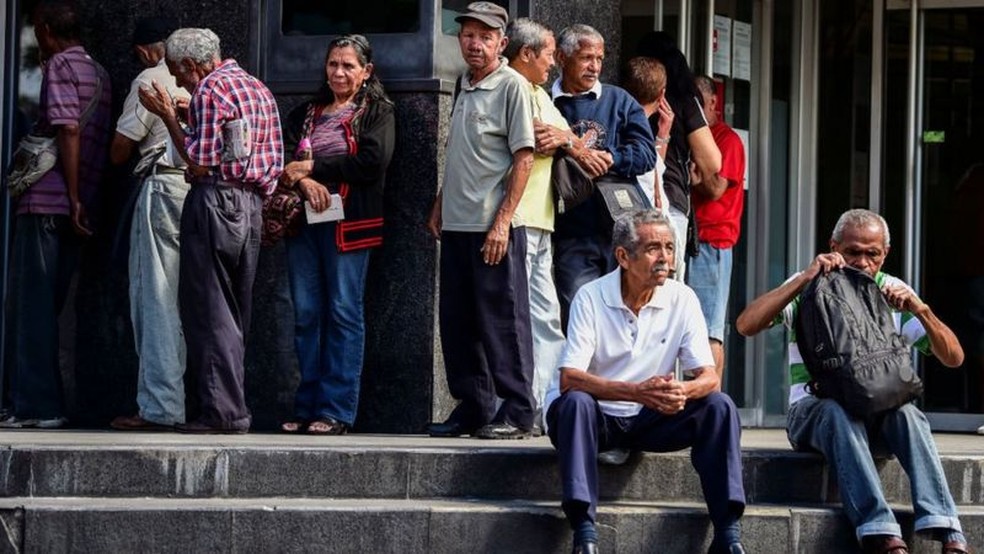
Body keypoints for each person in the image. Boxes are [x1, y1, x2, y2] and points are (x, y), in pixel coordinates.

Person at [736, 209, 969, 554]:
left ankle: (947, 527)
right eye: (852, 252)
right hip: (813, 412)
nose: (862, 261)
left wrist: (920, 310)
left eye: (871, 254)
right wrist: (803, 279)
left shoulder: (893, 291)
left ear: (884, 254)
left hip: (877, 413)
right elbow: (746, 324)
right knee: (836, 412)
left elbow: (954, 357)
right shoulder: (810, 284)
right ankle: (879, 529)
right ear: (834, 246)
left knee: (909, 415)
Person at [545, 210, 746, 554]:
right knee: (575, 402)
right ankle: (585, 533)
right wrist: (637, 392)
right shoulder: (591, 297)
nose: (665, 257)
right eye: (654, 248)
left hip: (650, 417)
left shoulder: (682, 298)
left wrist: (681, 391)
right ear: (623, 256)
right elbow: (569, 378)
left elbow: (709, 377)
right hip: (597, 419)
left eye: (669, 247)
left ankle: (728, 534)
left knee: (719, 406)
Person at [139, 27, 283, 434]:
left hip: (215, 201)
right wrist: (191, 117)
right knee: (234, 311)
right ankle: (231, 407)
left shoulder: (209, 90)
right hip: (251, 205)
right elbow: (241, 145)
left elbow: (198, 162)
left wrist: (168, 115)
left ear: (191, 64)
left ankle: (223, 413)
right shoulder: (257, 87)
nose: (179, 81)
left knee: (208, 308)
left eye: (178, 72)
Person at [425, 2, 537, 440]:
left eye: (485, 37)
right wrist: (440, 203)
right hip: (457, 223)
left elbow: (523, 158)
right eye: (468, 34)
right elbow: (461, 153)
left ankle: (517, 409)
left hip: (495, 227)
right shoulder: (462, 84)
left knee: (503, 321)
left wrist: (502, 223)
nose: (475, 44)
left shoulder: (512, 86)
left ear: (502, 43)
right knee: (458, 322)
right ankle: (474, 405)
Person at [1, 0, 112, 429]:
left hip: (47, 203)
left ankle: (37, 406)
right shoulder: (99, 72)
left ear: (46, 30)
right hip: (74, 207)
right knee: (48, 305)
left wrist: (70, 196)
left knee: (32, 308)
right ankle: (35, 402)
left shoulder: (60, 68)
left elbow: (67, 128)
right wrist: (82, 198)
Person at [276, 35, 395, 435]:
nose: (339, 73)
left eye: (348, 66)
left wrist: (312, 171)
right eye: (333, 64)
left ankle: (335, 411)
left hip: (350, 225)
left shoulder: (377, 112)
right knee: (307, 313)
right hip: (304, 223)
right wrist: (304, 182)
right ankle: (307, 404)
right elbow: (287, 162)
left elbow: (371, 162)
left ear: (366, 72)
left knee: (344, 312)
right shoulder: (305, 113)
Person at [108, 16, 190, 432]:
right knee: (196, 304)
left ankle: (160, 406)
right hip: (203, 193)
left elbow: (120, 150)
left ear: (144, 50)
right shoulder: (211, 79)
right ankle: (198, 403)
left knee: (155, 298)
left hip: (162, 187)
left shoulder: (151, 77)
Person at [550, 24, 657, 328]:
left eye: (599, 58)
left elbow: (646, 154)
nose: (594, 66)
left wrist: (612, 157)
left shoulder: (619, 100)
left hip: (622, 231)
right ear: (561, 57)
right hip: (572, 231)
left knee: (628, 316)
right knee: (578, 318)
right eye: (586, 57)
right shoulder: (546, 102)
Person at [503, 18, 574, 416]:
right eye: (548, 54)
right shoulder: (508, 85)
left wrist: (562, 139)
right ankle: (520, 403)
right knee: (516, 315)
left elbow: (566, 137)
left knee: (545, 316)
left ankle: (546, 404)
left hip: (542, 218)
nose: (553, 62)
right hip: (515, 218)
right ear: (526, 54)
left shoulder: (539, 91)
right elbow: (531, 139)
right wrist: (556, 139)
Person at [636, 31, 721, 281]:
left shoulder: (626, 96)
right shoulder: (684, 99)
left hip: (631, 201)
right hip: (671, 199)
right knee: (667, 290)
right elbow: (713, 161)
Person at [687, 75, 746, 378]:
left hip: (712, 242)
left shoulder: (728, 139)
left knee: (708, 329)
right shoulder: (692, 133)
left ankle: (708, 408)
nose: (693, 105)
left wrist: (699, 177)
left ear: (713, 102)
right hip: (686, 239)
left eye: (699, 98)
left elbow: (714, 190)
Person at [621, 56, 674, 215]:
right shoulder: (635, 127)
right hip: (640, 219)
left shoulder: (618, 121)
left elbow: (653, 165)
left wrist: (662, 135)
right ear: (662, 94)